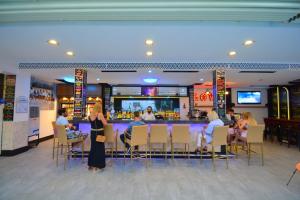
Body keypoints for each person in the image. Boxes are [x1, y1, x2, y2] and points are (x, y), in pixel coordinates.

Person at [88, 101, 107, 171]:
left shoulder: (90, 115)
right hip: (99, 132)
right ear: (99, 108)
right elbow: (105, 124)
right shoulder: (100, 114)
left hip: (93, 133)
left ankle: (91, 165)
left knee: (93, 148)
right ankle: (99, 165)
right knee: (100, 149)